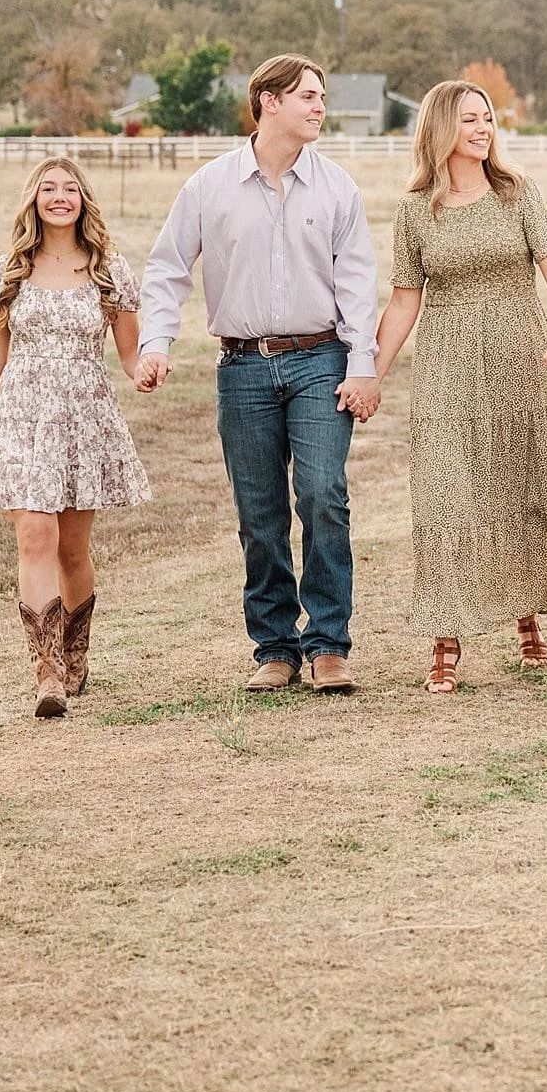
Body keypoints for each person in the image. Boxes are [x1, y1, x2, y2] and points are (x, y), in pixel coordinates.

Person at [137, 54, 380, 695]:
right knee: (260, 511)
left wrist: (364, 365)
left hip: (321, 360)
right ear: (268, 102)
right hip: (242, 365)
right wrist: (156, 343)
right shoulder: (208, 187)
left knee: (324, 495)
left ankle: (328, 645)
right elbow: (166, 271)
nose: (320, 106)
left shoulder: (337, 189)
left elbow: (357, 285)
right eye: (308, 96)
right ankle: (275, 647)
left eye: (322, 95)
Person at [373, 79, 547, 693]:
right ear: (440, 131)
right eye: (469, 121)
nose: (483, 129)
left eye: (487, 118)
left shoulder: (517, 192)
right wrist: (371, 373)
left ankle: (529, 620)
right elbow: (406, 298)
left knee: (520, 486)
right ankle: (446, 638)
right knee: (448, 499)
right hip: (447, 368)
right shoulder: (415, 209)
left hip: (519, 356)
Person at [0, 156, 152, 718]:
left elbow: (130, 353)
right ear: (33, 199)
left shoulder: (109, 270)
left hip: (84, 417)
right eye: (48, 188)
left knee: (71, 550)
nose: (59, 197)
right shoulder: (9, 270)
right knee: (34, 537)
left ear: (84, 198)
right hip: (21, 416)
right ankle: (46, 673)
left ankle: (74, 653)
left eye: (69, 188)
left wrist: (145, 373)